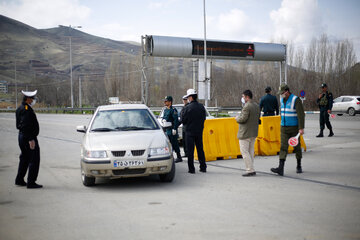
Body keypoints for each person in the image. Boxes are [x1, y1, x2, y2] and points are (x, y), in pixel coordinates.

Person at [271, 83, 305, 176]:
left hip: (294, 128)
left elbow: (301, 115)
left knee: (297, 147)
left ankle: (299, 165)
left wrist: (301, 128)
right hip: (284, 128)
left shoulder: (295, 99)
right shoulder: (282, 100)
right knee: (283, 147)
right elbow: (282, 112)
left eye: (282, 92)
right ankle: (280, 168)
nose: (281, 94)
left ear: (287, 91)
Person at [15, 90, 43, 188]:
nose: (33, 100)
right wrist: (31, 139)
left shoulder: (20, 108)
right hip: (28, 137)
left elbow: (19, 125)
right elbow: (26, 125)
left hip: (22, 136)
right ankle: (31, 182)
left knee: (24, 158)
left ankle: (19, 179)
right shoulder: (26, 110)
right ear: (27, 99)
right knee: (34, 159)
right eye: (32, 98)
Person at [181, 89, 207, 174]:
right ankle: (203, 167)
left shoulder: (187, 107)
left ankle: (191, 169)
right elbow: (204, 118)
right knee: (200, 149)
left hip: (189, 132)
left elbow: (183, 120)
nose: (188, 98)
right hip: (199, 131)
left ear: (191, 97)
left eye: (188, 97)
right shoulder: (201, 106)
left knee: (190, 151)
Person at [236, 90, 260, 177]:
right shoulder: (256, 105)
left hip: (245, 133)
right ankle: (251, 168)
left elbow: (243, 119)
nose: (242, 98)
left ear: (246, 97)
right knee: (250, 151)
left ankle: (250, 170)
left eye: (243, 96)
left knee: (244, 152)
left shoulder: (247, 106)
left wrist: (237, 118)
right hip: (253, 132)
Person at [162, 96, 182, 163]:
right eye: (164, 101)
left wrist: (175, 128)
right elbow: (164, 117)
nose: (165, 102)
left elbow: (176, 120)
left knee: (174, 143)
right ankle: (170, 157)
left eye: (166, 101)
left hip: (172, 129)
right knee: (168, 144)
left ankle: (179, 156)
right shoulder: (165, 110)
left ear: (170, 102)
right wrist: (163, 120)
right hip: (167, 129)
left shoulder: (173, 110)